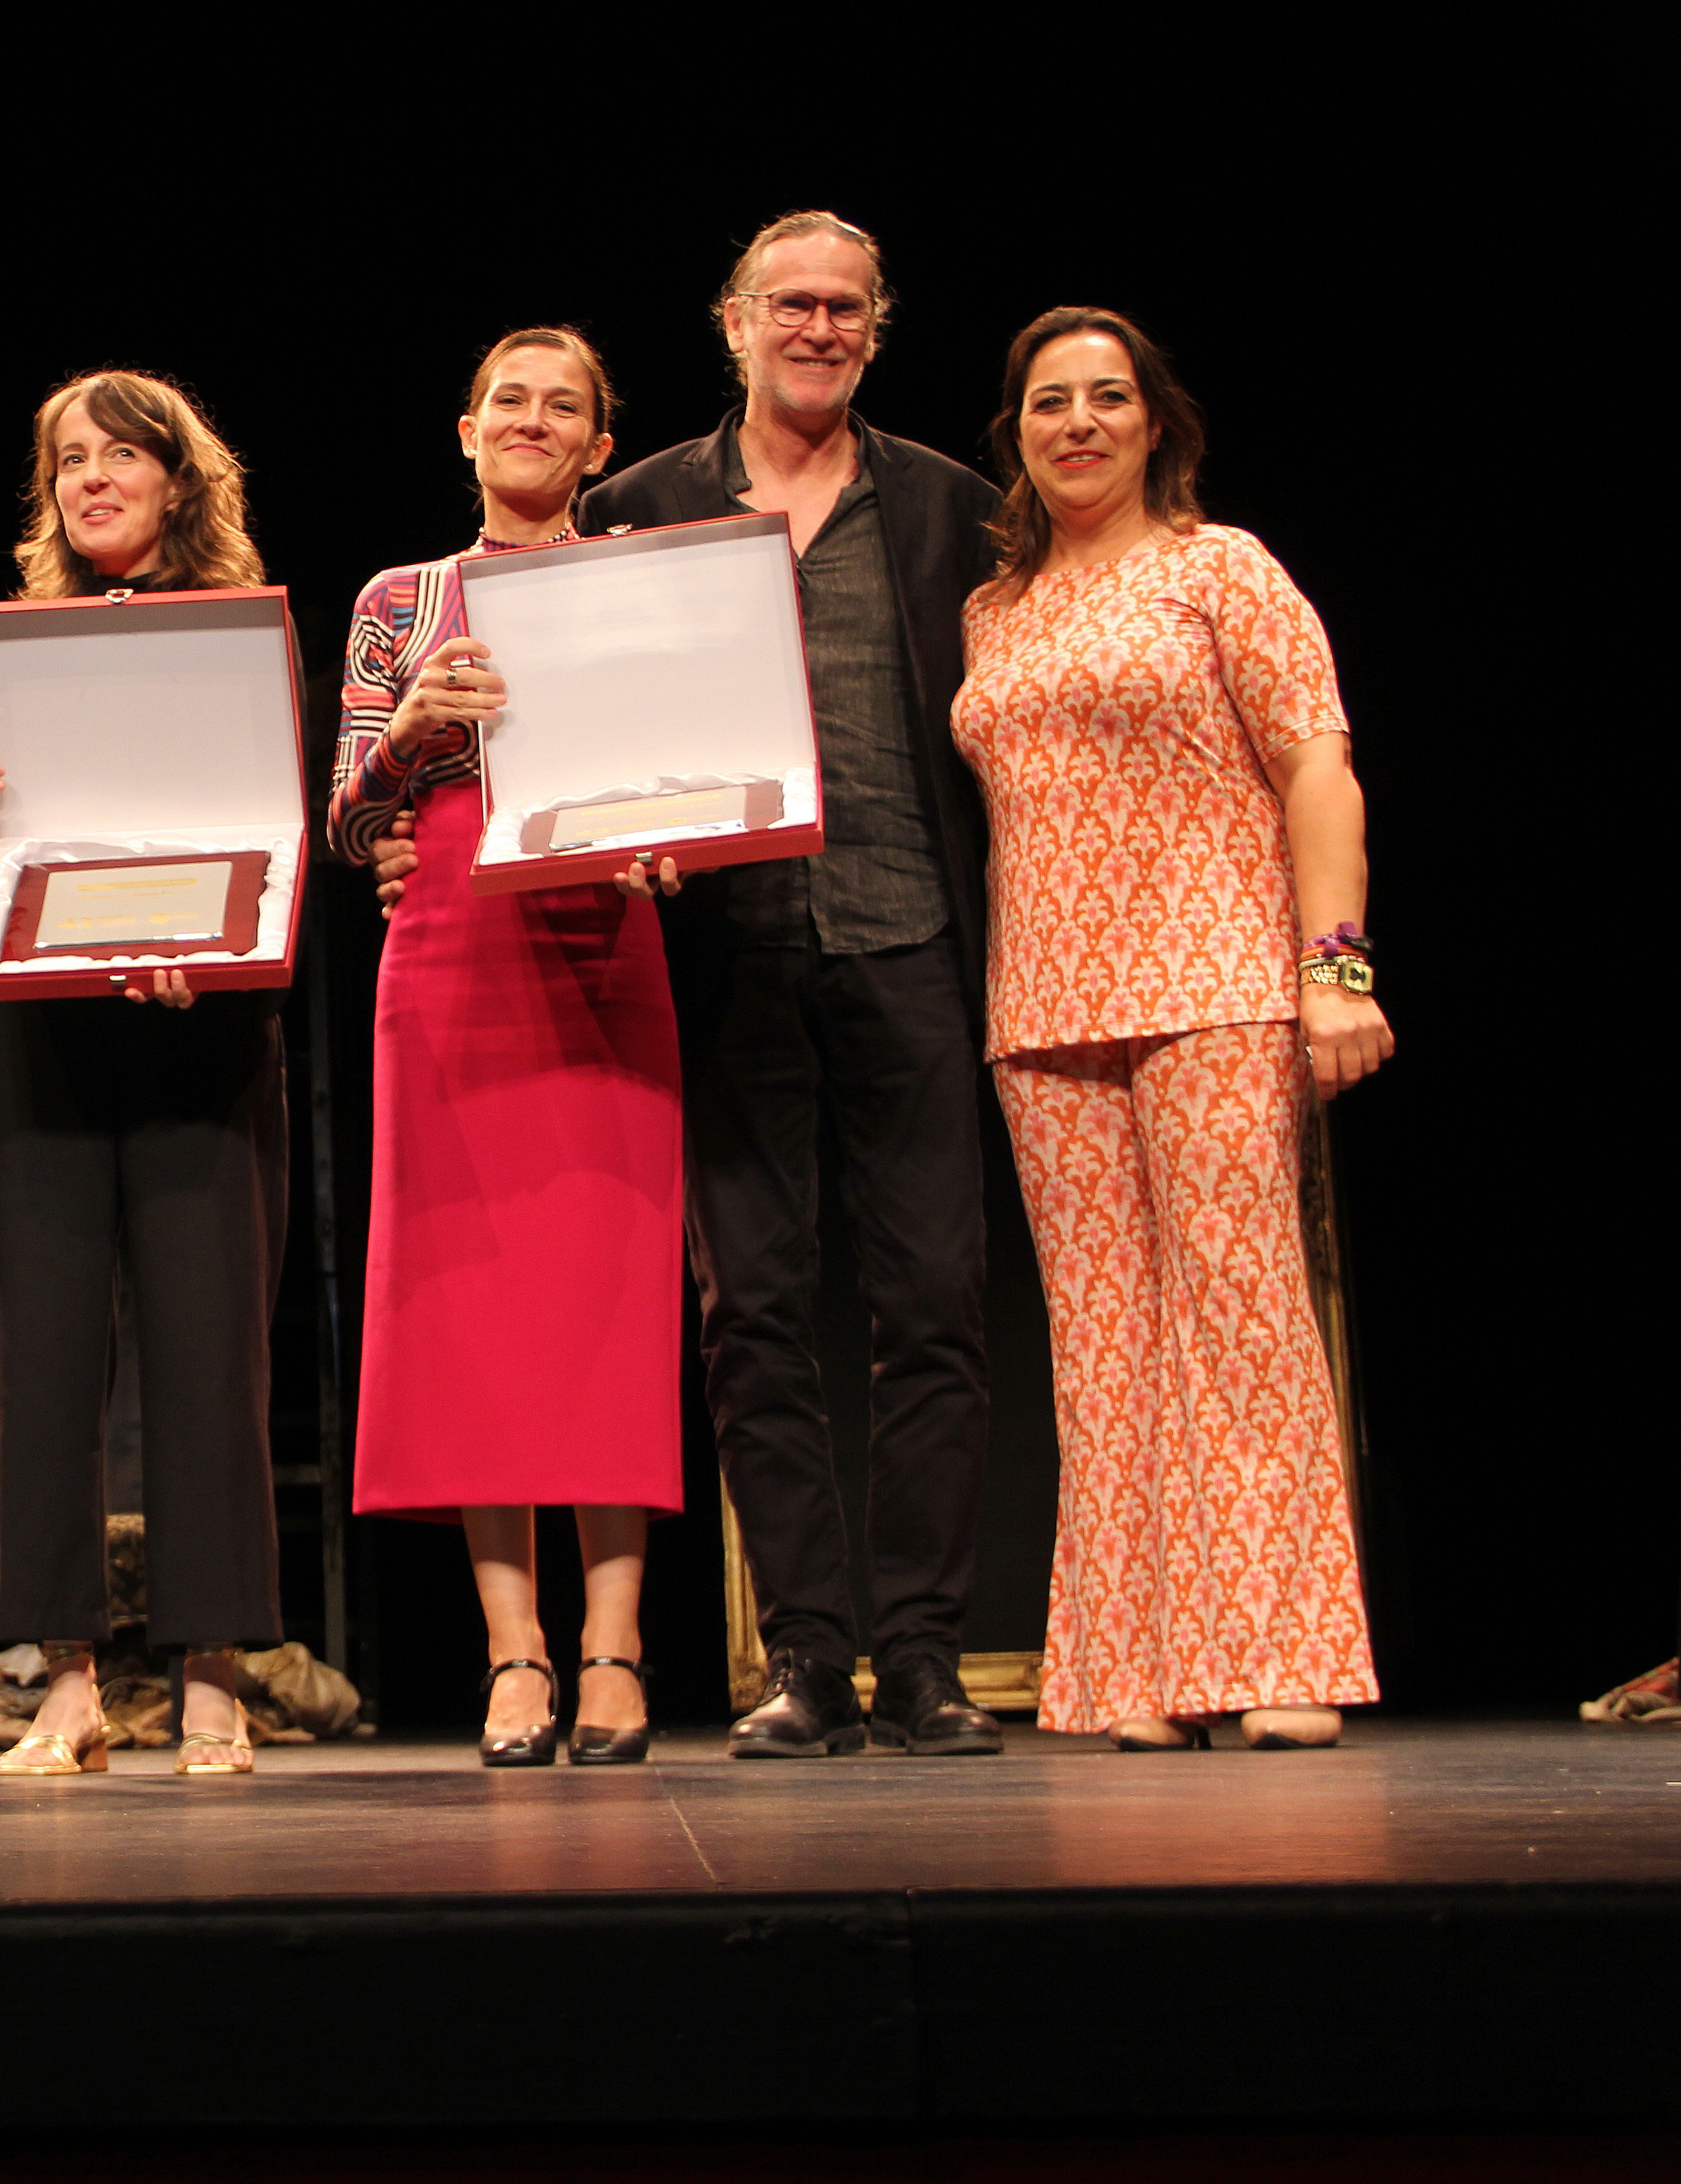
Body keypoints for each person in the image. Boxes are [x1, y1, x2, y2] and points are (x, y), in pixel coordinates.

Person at [577, 211, 1010, 1759]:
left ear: (876, 330)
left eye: (845, 308)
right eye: (791, 305)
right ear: (735, 322)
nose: (817, 328)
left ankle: (927, 1657)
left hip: (911, 938)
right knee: (753, 1313)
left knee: (933, 1308)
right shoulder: (637, 508)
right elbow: (593, 717)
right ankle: (809, 1658)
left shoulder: (953, 506)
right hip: (729, 952)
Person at [953, 306, 1385, 1750]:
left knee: (1242, 1312)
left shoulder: (1221, 569)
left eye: (1107, 398)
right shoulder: (995, 610)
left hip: (1213, 980)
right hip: (1045, 1003)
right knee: (1101, 1344)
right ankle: (1134, 1672)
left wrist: (1336, 967)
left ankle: (1281, 1658)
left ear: (1155, 424)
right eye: (1049, 402)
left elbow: (1317, 765)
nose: (1078, 423)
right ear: (1018, 433)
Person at [331, 328, 683, 1766]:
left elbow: (696, 763)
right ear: (467, 430)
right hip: (450, 944)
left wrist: (674, 839)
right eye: (509, 401)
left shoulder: (643, 587)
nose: (534, 421)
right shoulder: (399, 599)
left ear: (601, 445)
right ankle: (515, 1652)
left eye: (564, 406)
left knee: (606, 1291)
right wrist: (412, 733)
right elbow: (349, 819)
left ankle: (616, 1647)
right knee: (474, 1298)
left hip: (604, 933)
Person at [0, 371, 286, 1778]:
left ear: (177, 481)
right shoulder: (15, 656)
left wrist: (216, 951)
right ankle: (67, 1685)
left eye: (121, 456)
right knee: (40, 1358)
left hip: (203, 1031)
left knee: (210, 1353)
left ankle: (211, 1681)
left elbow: (266, 828)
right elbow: (3, 872)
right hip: (43, 1036)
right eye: (69, 460)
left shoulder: (237, 640)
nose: (92, 478)